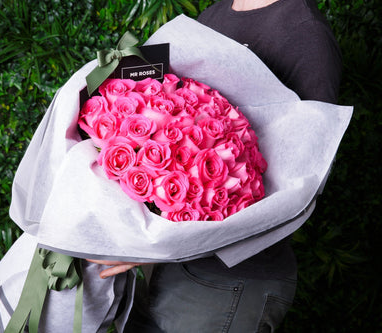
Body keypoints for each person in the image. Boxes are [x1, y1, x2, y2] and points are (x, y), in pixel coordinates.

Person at [91, 0, 342, 331]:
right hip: (167, 266)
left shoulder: (306, 34)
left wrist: (163, 245)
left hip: (229, 283)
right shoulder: (216, 12)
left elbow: (304, 186)